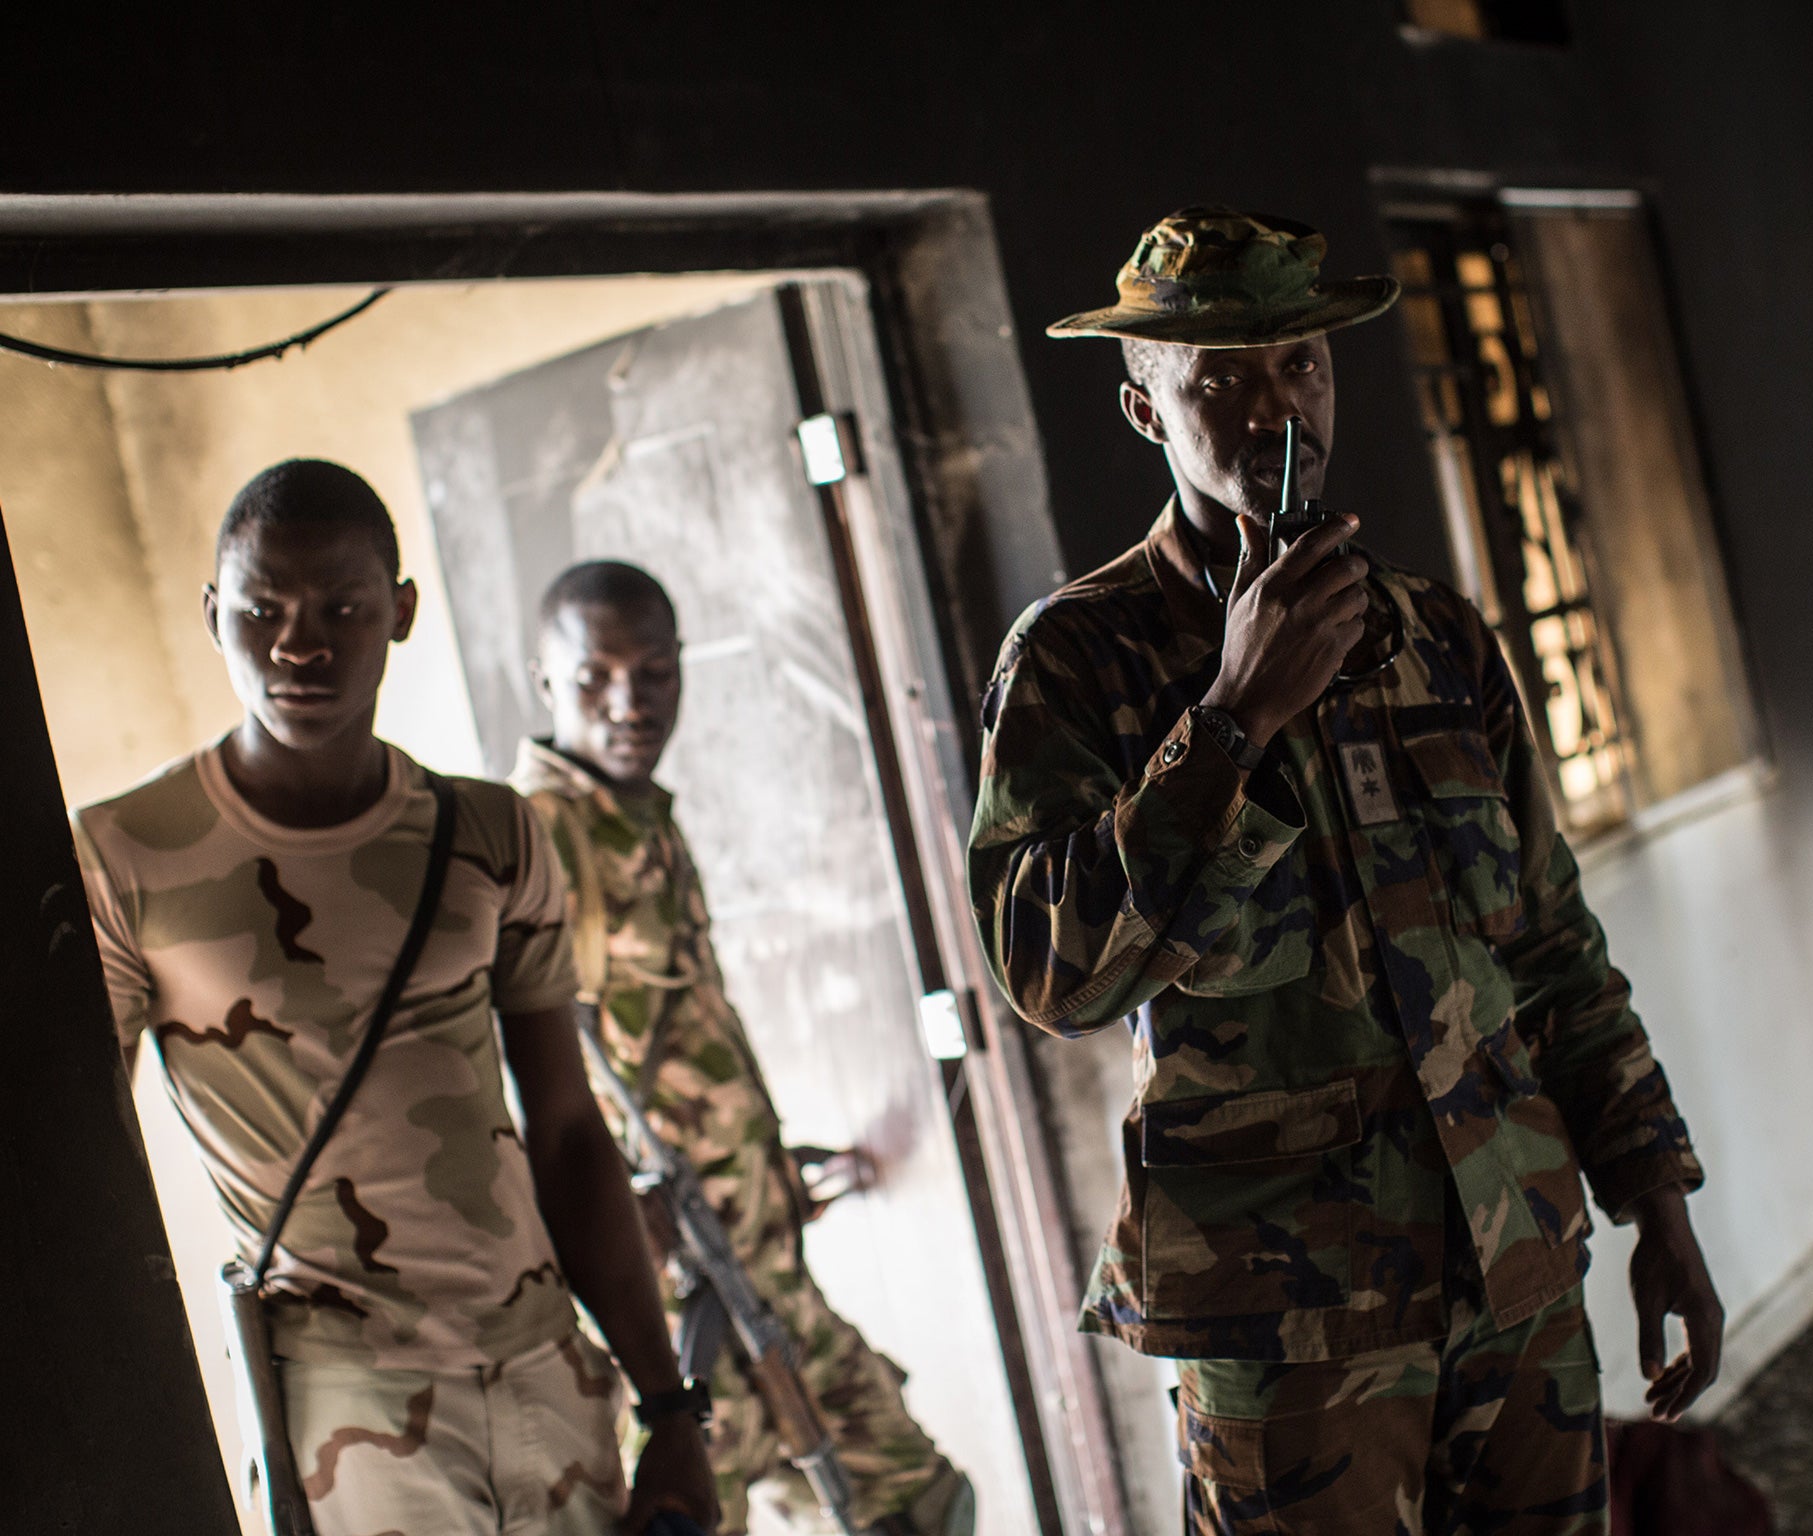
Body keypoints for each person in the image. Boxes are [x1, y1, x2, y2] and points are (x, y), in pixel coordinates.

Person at [968, 208, 1725, 1534]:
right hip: (1287, 1316)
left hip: (1514, 1267)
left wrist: (1655, 1201)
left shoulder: (1436, 634)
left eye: (1302, 368)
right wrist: (1233, 720)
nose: (1275, 411)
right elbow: (1054, 978)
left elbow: (1549, 942)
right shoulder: (1076, 661)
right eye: (1221, 380)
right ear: (1146, 410)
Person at [72, 461, 721, 1536]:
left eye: (341, 607)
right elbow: (85, 1181)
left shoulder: (492, 833)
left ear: (402, 611)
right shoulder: (127, 858)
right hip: (349, 1410)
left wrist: (670, 1408)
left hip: (542, 1370)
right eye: (260, 609)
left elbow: (567, 1134)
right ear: (210, 614)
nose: (298, 645)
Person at [510, 560, 973, 1536]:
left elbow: (666, 1037)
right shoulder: (538, 841)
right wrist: (626, 1201)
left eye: (654, 674)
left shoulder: (634, 813)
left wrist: (763, 1160)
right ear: (543, 681)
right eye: (594, 678)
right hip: (672, 1317)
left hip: (756, 1266)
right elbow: (529, 1082)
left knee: (917, 1506)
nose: (628, 704)